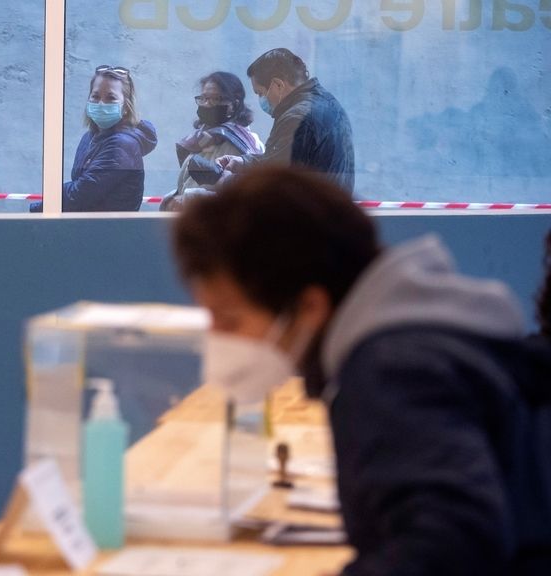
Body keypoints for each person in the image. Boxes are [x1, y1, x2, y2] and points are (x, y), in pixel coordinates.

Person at [172, 166, 551, 575]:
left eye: (229, 320)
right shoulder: (417, 341)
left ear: (309, 307)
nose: (215, 337)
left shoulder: (391, 373)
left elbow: (450, 545)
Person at [217, 49, 354, 194]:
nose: (261, 100)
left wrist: (228, 181)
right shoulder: (326, 102)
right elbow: (283, 159)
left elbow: (277, 181)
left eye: (260, 93)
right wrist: (243, 162)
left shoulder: (296, 118)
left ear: (278, 85)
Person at [30, 65, 157, 212]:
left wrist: (36, 209)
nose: (101, 103)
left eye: (111, 98)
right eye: (95, 96)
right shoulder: (90, 137)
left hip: (109, 231)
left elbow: (80, 194)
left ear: (126, 106)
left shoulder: (121, 145)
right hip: (88, 228)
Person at [160, 71, 263, 212]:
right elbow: (189, 183)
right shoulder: (202, 139)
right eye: (203, 98)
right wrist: (173, 198)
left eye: (215, 99)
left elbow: (239, 197)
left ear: (234, 104)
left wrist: (187, 199)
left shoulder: (237, 143)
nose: (207, 105)